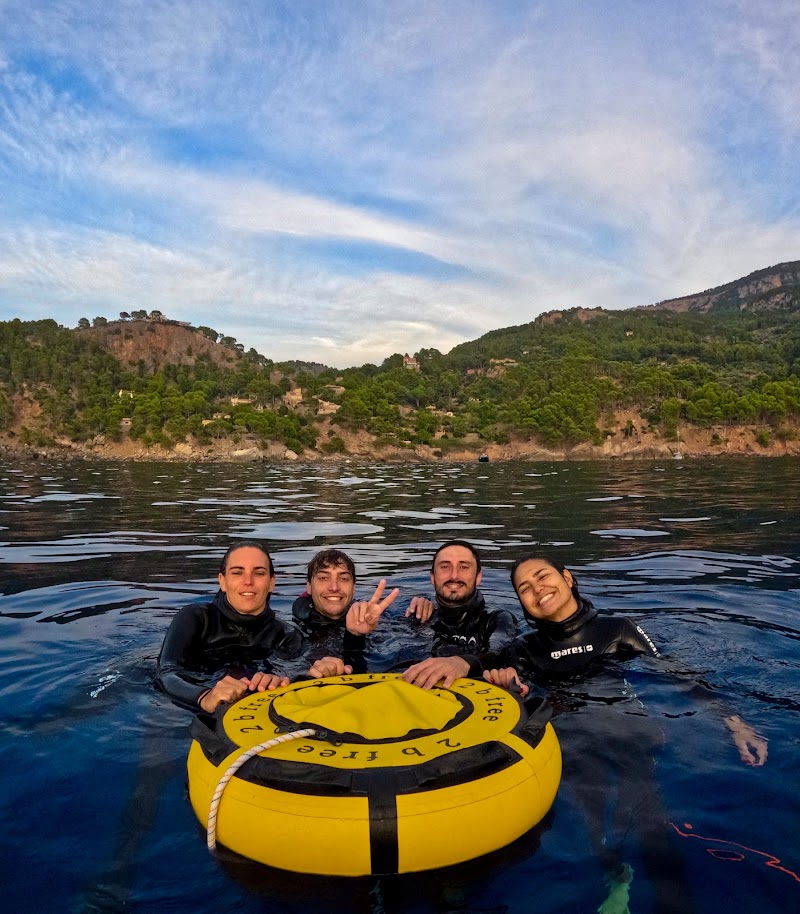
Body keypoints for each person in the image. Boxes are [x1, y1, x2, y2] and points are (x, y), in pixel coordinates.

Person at [483, 553, 768, 766]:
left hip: (627, 736)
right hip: (568, 747)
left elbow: (675, 675)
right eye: (525, 588)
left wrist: (733, 721)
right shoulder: (522, 650)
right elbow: (514, 703)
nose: (537, 589)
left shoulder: (618, 630)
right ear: (524, 605)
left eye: (543, 576)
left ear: (567, 578)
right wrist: (509, 690)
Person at [155, 541, 302, 713]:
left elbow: (294, 672)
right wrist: (204, 697)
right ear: (222, 581)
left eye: (259, 573)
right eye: (237, 572)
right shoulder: (195, 618)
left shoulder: (287, 635)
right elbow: (166, 673)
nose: (248, 581)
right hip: (188, 707)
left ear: (271, 583)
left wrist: (276, 680)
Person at [400, 540, 517, 689]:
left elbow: (497, 654)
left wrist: (461, 663)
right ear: (432, 577)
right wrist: (360, 635)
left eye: (464, 567)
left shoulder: (497, 619)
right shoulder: (419, 616)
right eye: (445, 567)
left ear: (478, 576)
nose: (454, 575)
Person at [295, 548, 399, 679]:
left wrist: (355, 636)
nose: (334, 587)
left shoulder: (380, 621)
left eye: (343, 578)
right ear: (309, 587)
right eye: (323, 578)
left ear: (354, 588)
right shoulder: (289, 631)